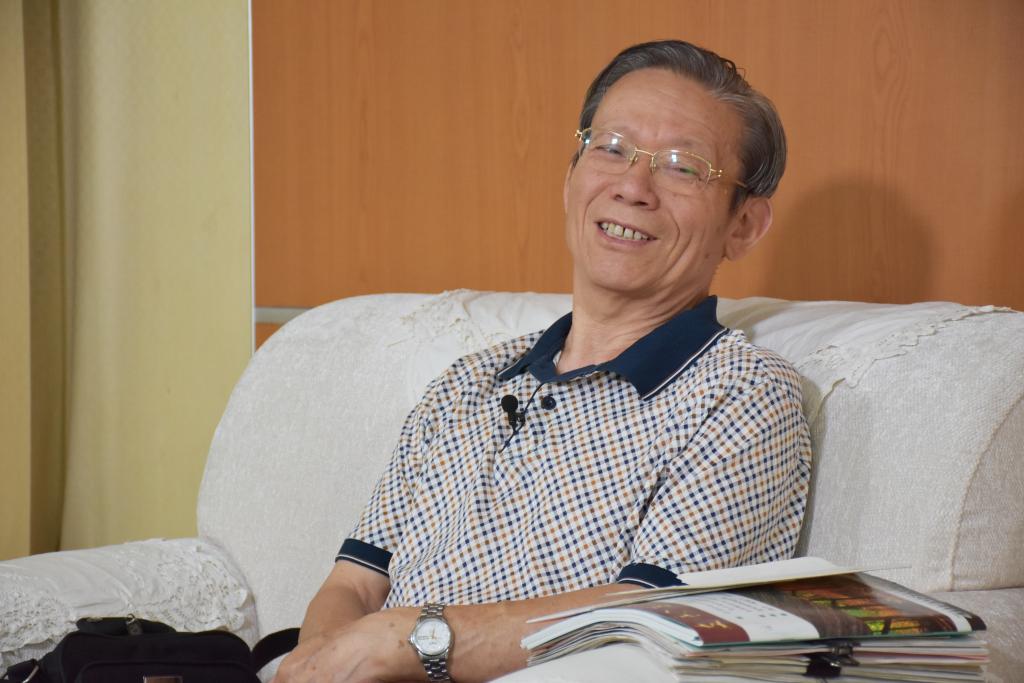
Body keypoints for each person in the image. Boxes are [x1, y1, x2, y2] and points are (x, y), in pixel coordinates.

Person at [275, 39, 811, 683]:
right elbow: (355, 584)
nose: (632, 187)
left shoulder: (742, 394)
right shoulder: (468, 382)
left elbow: (652, 615)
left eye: (682, 167)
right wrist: (321, 664)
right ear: (570, 178)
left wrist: (415, 640)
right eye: (611, 148)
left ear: (743, 225)